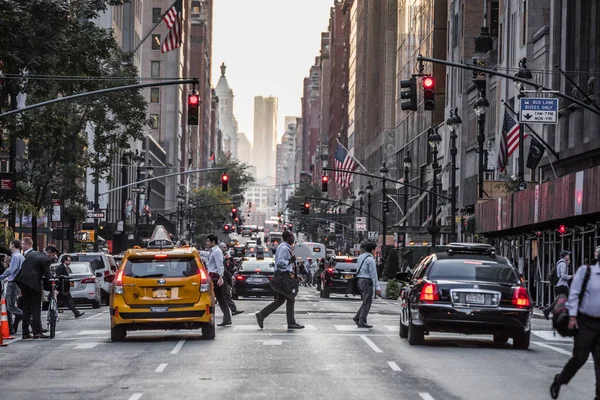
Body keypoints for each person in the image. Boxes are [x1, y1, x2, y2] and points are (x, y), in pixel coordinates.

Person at [550, 246, 600, 399]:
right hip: (584, 322)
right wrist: (572, 316)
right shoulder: (586, 272)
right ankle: (560, 380)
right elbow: (574, 295)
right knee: (579, 357)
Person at [256, 230, 304, 330]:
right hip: (282, 278)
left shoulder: (287, 248)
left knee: (281, 300)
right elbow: (280, 262)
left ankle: (261, 315)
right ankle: (291, 322)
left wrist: (294, 275)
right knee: (290, 298)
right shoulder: (283, 248)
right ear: (287, 237)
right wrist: (291, 260)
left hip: (284, 276)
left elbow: (286, 265)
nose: (293, 238)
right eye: (292, 236)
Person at [15, 239, 55, 339]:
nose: (54, 257)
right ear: (49, 253)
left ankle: (25, 332)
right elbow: (47, 275)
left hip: (22, 282)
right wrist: (52, 286)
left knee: (26, 308)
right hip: (34, 284)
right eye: (53, 255)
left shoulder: (31, 255)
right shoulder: (45, 260)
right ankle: (37, 332)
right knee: (36, 308)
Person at [199, 235, 232, 327]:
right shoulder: (213, 251)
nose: (207, 243)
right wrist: (198, 252)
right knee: (220, 298)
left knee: (220, 298)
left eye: (208, 241)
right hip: (213, 276)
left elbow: (220, 265)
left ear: (213, 242)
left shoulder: (217, 252)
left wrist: (221, 277)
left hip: (216, 277)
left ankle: (227, 318)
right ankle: (227, 318)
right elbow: (207, 255)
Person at [353, 242, 381, 328]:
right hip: (366, 281)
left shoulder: (361, 257)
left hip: (359, 281)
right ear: (372, 250)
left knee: (365, 301)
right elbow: (373, 274)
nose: (376, 251)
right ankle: (361, 321)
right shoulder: (370, 260)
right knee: (367, 302)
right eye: (375, 249)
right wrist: (377, 287)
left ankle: (358, 317)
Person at [0, 239, 25, 335]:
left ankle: (28, 318)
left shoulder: (16, 256)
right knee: (7, 306)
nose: (9, 247)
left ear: (13, 245)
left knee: (10, 306)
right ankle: (10, 328)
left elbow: (11, 270)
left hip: (13, 283)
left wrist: (1, 277)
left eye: (10, 244)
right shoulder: (21, 256)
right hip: (17, 282)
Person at [544, 250, 573, 320]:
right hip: (562, 285)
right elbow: (563, 275)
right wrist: (571, 276)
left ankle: (548, 310)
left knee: (560, 299)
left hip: (558, 285)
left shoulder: (559, 262)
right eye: (568, 255)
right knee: (568, 299)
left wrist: (567, 265)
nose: (569, 256)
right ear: (565, 256)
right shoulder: (563, 264)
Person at [218, 242, 243, 317]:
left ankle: (231, 312)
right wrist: (230, 276)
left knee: (225, 295)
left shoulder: (223, 255)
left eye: (226, 247)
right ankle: (232, 311)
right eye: (224, 247)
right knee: (224, 295)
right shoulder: (219, 256)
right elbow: (223, 269)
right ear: (220, 248)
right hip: (221, 278)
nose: (226, 249)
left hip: (223, 277)